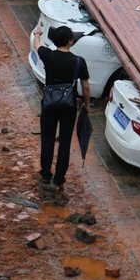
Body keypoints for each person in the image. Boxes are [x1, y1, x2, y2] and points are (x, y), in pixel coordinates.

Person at [32, 25, 90, 193]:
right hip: (69, 106)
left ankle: (45, 174)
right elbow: (85, 87)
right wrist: (86, 105)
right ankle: (58, 178)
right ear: (70, 41)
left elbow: (37, 44)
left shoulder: (48, 56)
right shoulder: (79, 61)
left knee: (47, 139)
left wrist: (37, 33)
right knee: (64, 142)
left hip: (49, 104)